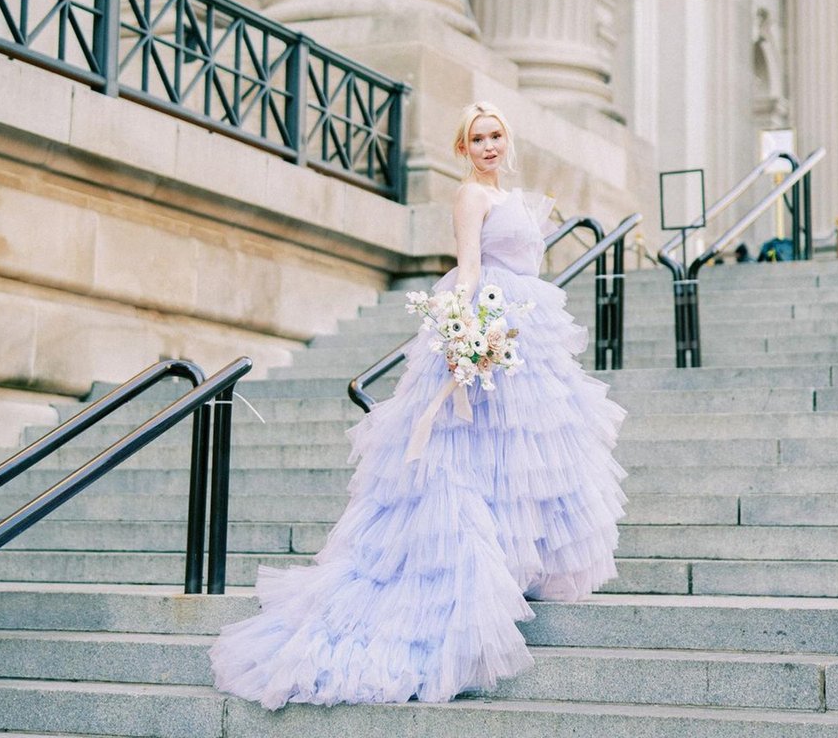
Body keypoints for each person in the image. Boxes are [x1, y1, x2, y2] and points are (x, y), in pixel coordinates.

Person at [209, 100, 627, 708]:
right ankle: (466, 580)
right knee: (469, 451)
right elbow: (469, 268)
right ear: (463, 148)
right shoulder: (471, 197)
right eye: (477, 137)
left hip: (525, 332)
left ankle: (518, 567)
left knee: (523, 453)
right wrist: (467, 337)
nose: (487, 145)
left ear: (507, 142)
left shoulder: (514, 197)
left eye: (495, 135)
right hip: (487, 323)